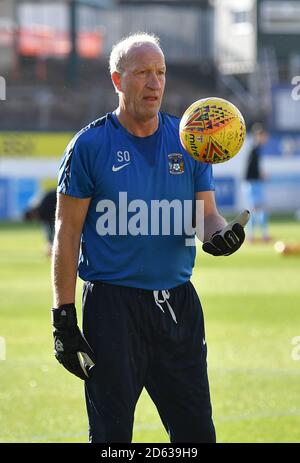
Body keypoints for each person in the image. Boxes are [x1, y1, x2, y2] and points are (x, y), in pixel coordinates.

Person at [51, 33, 249, 443]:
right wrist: (63, 318)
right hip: (112, 308)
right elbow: (67, 234)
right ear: (117, 80)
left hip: (178, 305)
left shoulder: (190, 141)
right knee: (111, 436)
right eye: (142, 73)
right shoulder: (89, 146)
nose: (155, 83)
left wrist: (220, 235)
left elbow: (205, 216)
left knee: (197, 434)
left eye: (160, 73)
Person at [244, 123, 270, 242]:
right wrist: (261, 175)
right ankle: (253, 236)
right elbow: (251, 169)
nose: (266, 138)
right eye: (264, 136)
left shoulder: (256, 149)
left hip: (254, 182)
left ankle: (261, 235)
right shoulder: (254, 149)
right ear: (259, 135)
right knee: (255, 210)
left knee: (258, 209)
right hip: (252, 183)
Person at [24, 188, 57, 256]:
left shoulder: (42, 210)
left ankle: (52, 249)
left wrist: (49, 241)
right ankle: (52, 249)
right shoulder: (39, 206)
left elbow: (48, 226)